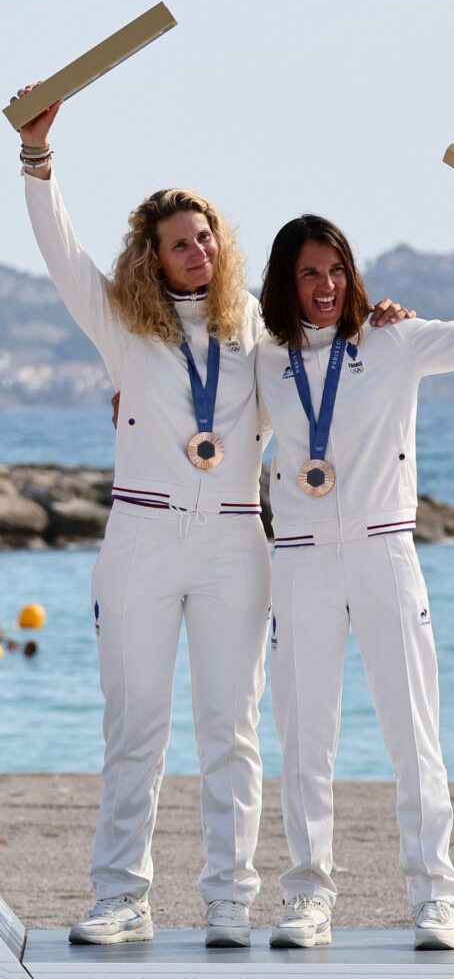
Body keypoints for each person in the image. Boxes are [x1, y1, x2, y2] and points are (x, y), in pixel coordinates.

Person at [11, 86, 411, 948]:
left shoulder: (255, 338)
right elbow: (62, 252)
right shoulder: (122, 327)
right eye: (179, 243)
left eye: (206, 237)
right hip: (141, 540)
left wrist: (381, 320)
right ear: (151, 259)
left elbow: (328, 352)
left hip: (237, 543)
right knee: (136, 726)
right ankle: (123, 896)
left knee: (231, 733)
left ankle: (230, 901)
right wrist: (38, 161)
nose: (197, 250)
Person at [255, 208, 454, 951]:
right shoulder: (264, 359)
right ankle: (308, 896)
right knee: (303, 737)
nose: (325, 285)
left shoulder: (394, 342)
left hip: (386, 552)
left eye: (335, 270)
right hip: (298, 557)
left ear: (352, 274)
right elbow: (214, 424)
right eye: (309, 273)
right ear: (286, 282)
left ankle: (435, 897)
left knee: (413, 732)